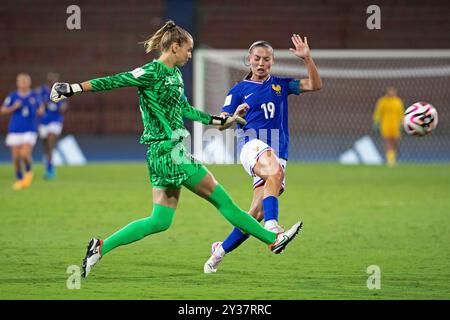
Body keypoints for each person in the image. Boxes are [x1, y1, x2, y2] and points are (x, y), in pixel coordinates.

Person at [49, 20, 302, 278]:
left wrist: (221, 120)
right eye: (188, 50)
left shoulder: (175, 76)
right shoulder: (152, 71)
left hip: (164, 153)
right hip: (170, 151)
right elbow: (115, 81)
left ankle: (100, 248)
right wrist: (73, 88)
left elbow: (185, 110)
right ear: (175, 47)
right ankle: (272, 239)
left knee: (160, 220)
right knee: (224, 202)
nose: (190, 55)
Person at [203, 35, 322, 273]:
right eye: (256, 58)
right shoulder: (238, 90)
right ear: (248, 60)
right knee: (274, 173)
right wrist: (235, 113)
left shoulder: (281, 84)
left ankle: (217, 254)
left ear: (272, 62)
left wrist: (307, 58)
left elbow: (315, 85)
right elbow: (221, 123)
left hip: (279, 150)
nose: (261, 63)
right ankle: (273, 229)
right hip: (251, 145)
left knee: (254, 213)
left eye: (266, 59)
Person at [1, 73, 43, 190]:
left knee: (24, 154)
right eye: (21, 81)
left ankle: (29, 171)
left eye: (26, 80)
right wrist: (14, 107)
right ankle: (19, 179)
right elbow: (3, 110)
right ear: (17, 83)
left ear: (29, 82)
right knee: (15, 158)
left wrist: (38, 111)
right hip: (15, 129)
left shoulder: (34, 96)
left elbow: (41, 110)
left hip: (29, 129)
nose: (24, 83)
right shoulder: (13, 96)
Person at [36, 72, 68, 179]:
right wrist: (41, 105)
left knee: (51, 141)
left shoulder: (61, 91)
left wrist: (60, 105)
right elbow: (35, 101)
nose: (53, 82)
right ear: (47, 80)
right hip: (43, 122)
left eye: (55, 80)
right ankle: (48, 166)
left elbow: (64, 107)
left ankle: (50, 169)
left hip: (55, 121)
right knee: (46, 146)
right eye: (51, 80)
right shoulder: (41, 91)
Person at [373, 87, 404, 167]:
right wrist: (376, 122)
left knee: (395, 141)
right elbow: (378, 112)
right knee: (388, 141)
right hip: (386, 124)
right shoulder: (382, 101)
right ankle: (390, 160)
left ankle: (394, 156)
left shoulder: (398, 101)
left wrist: (402, 123)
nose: (392, 93)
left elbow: (401, 113)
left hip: (395, 124)